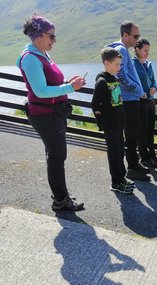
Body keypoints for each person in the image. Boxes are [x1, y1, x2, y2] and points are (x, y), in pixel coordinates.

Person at [16, 14, 85, 211]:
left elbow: (50, 83)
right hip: (45, 114)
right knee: (57, 156)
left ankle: (60, 195)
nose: (54, 40)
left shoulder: (41, 54)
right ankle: (61, 200)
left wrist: (66, 84)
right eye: (51, 36)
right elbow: (40, 91)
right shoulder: (30, 58)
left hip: (52, 112)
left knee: (55, 155)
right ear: (38, 35)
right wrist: (70, 88)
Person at [107, 21, 151, 181]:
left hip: (131, 99)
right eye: (135, 36)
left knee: (134, 133)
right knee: (131, 134)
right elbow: (122, 76)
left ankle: (135, 164)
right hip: (129, 100)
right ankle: (132, 168)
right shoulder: (120, 50)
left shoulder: (122, 50)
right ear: (125, 34)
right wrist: (139, 91)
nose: (137, 39)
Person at [91, 48, 135, 194]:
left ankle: (121, 178)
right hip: (110, 125)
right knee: (114, 153)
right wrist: (102, 122)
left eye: (120, 64)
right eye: (116, 64)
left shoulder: (114, 79)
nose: (119, 67)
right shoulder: (102, 81)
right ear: (106, 63)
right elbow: (95, 104)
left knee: (120, 151)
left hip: (118, 124)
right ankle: (115, 182)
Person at [132, 39, 157, 168]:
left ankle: (152, 154)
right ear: (137, 49)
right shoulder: (132, 64)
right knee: (142, 130)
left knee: (150, 129)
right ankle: (144, 157)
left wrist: (155, 88)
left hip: (150, 101)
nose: (147, 53)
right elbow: (131, 81)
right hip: (140, 102)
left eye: (148, 50)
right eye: (145, 50)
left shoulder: (148, 64)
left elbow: (154, 80)